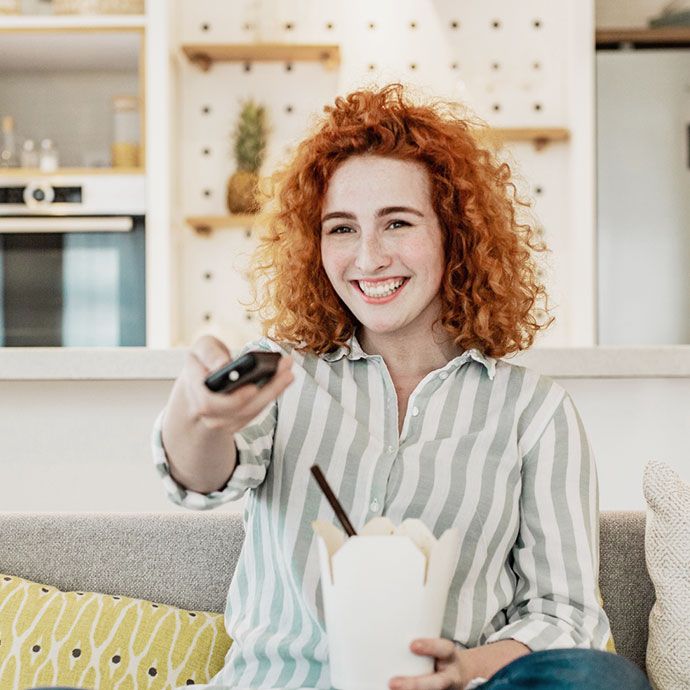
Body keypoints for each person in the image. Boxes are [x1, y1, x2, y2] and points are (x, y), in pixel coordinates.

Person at [32, 84, 651, 690]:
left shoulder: (534, 414)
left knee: (601, 679)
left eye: (398, 223)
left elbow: (565, 617)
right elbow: (201, 478)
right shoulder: (283, 374)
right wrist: (200, 418)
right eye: (341, 229)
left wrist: (467, 669)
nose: (368, 257)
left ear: (453, 235)